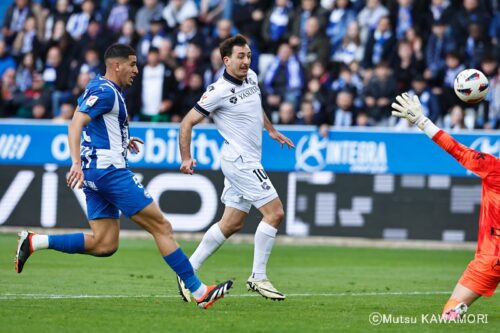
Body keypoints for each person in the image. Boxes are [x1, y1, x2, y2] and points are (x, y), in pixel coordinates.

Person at [14, 43, 232, 310]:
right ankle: (198, 290)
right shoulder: (106, 92)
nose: (136, 70)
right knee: (161, 227)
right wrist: (74, 163)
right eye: (132, 64)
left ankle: (35, 242)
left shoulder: (103, 87)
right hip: (109, 173)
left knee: (105, 244)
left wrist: (122, 140)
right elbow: (76, 122)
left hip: (97, 173)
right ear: (117, 65)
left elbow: (97, 125)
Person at [177, 34, 294, 302]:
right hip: (240, 161)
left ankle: (188, 271)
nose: (246, 61)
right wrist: (186, 157)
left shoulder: (251, 77)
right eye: (240, 57)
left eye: (248, 55)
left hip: (246, 159)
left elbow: (257, 106)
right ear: (226, 60)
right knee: (275, 213)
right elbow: (186, 123)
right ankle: (258, 276)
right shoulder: (217, 92)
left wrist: (271, 130)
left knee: (232, 223)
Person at [391, 92, 500, 320]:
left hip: (492, 258)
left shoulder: (494, 168)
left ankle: (455, 312)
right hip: (491, 257)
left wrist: (422, 121)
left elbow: (456, 149)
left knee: (449, 313)